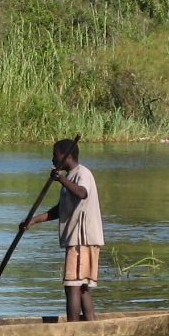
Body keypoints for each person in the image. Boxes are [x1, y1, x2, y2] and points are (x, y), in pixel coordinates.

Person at [22, 138, 103, 322]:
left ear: (67, 155)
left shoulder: (82, 174)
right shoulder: (70, 178)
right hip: (75, 240)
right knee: (80, 286)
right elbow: (59, 210)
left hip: (81, 240)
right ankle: (91, 326)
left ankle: (73, 328)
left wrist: (61, 179)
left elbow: (82, 193)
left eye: (55, 155)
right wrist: (32, 220)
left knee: (72, 286)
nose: (52, 159)